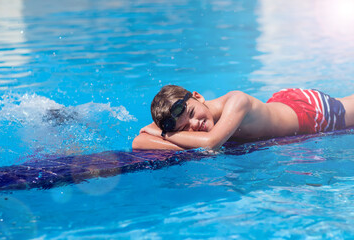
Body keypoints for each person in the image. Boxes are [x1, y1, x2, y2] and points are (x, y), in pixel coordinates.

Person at [132, 85, 354, 150]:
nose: (194, 125)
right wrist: (168, 132)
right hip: (280, 105)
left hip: (313, 113)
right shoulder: (180, 116)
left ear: (198, 97)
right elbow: (139, 141)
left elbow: (210, 144)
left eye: (191, 114)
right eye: (183, 128)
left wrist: (163, 134)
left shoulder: (236, 101)